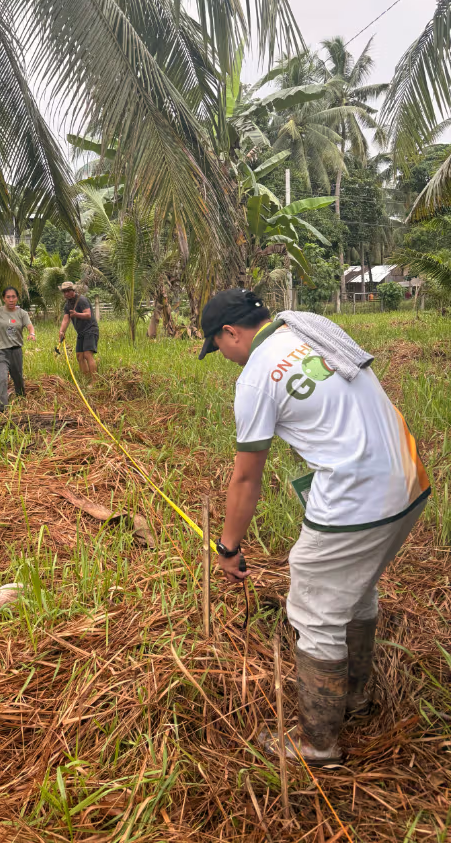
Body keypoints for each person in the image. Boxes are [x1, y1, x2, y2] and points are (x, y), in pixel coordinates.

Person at [198, 288, 430, 767]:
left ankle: (318, 744)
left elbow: (245, 477)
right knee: (356, 587)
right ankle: (355, 699)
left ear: (230, 333)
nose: (222, 357)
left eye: (217, 347)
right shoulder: (309, 332)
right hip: (408, 481)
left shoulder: (257, 378)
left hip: (357, 499)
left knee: (314, 608)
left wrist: (227, 546)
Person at [58, 281, 99, 382]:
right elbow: (66, 319)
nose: (66, 293)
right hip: (81, 332)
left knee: (87, 354)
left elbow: (88, 315)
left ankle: (95, 381)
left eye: (68, 291)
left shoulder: (82, 300)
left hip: (90, 329)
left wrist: (76, 314)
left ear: (73, 290)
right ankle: (85, 380)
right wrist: (62, 331)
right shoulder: (68, 305)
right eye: (64, 291)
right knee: (79, 356)